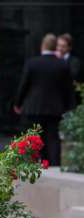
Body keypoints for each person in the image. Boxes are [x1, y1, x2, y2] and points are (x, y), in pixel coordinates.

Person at [14, 34, 76, 166]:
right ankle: (53, 165)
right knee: (53, 139)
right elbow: (68, 89)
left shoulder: (32, 63)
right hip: (55, 109)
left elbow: (23, 85)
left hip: (34, 108)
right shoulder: (62, 65)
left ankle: (31, 166)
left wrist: (17, 103)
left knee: (33, 138)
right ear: (55, 47)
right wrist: (69, 107)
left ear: (42, 46)